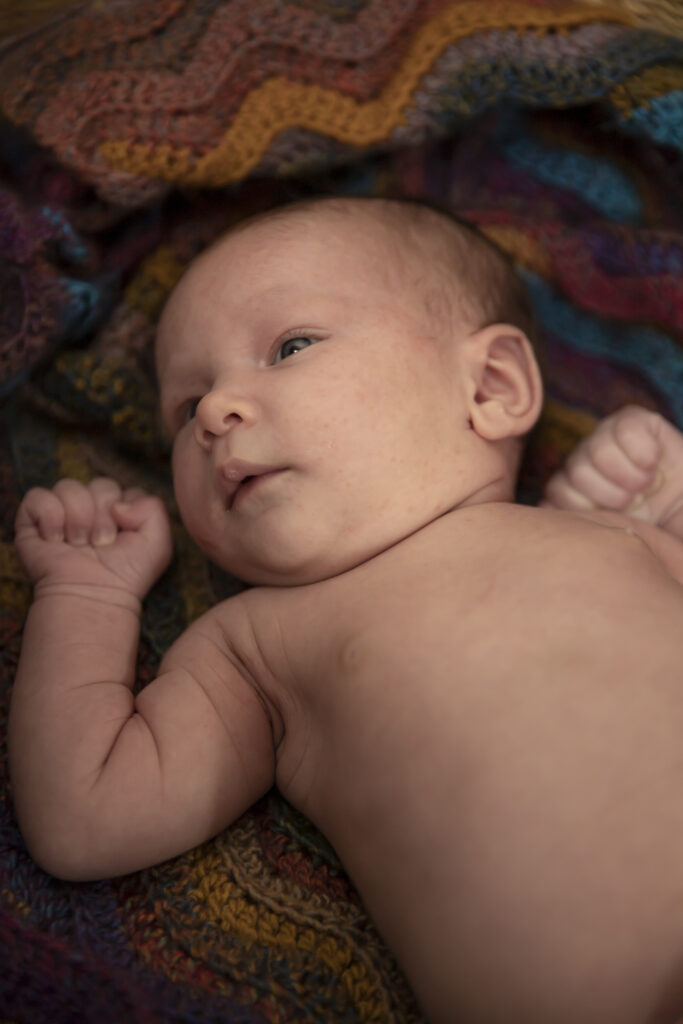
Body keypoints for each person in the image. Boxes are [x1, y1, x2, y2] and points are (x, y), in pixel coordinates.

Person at [9, 197, 683, 1024]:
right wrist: (87, 595)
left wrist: (663, 501)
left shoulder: (608, 538)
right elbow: (85, 819)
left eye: (290, 347)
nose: (217, 412)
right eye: (185, 410)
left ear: (491, 386)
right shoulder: (255, 647)